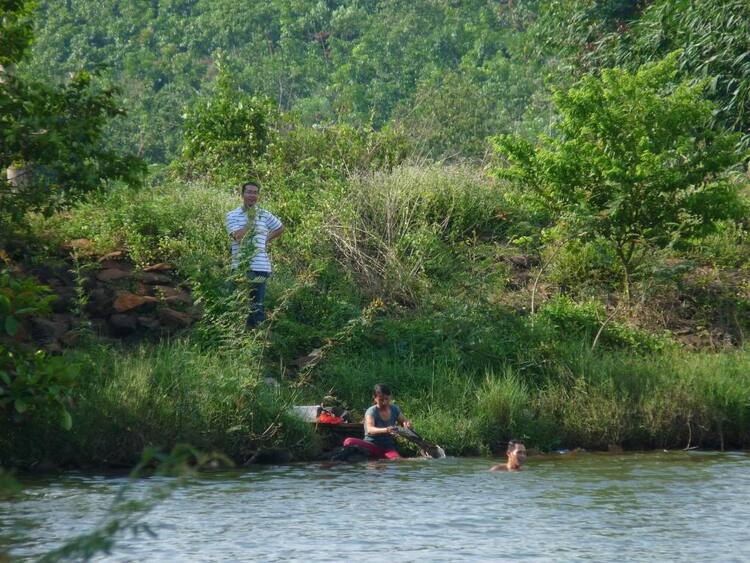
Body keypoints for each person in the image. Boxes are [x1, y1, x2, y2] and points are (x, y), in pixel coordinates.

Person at [225, 180, 284, 329]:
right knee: (236, 305)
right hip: (240, 267)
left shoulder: (264, 214)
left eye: (255, 192)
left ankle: (258, 342)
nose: (252, 195)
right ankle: (236, 340)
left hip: (261, 267)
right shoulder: (232, 215)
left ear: (258, 195)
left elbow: (280, 227)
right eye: (249, 192)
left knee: (257, 306)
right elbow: (238, 237)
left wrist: (266, 239)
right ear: (242, 194)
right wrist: (250, 222)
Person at [342, 383, 413, 460]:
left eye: (387, 399)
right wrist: (386, 430)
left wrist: (408, 425)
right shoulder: (371, 411)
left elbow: (405, 421)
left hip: (387, 448)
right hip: (371, 445)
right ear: (375, 398)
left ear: (390, 397)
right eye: (381, 400)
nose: (384, 402)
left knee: (397, 460)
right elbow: (370, 430)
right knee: (348, 441)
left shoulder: (394, 409)